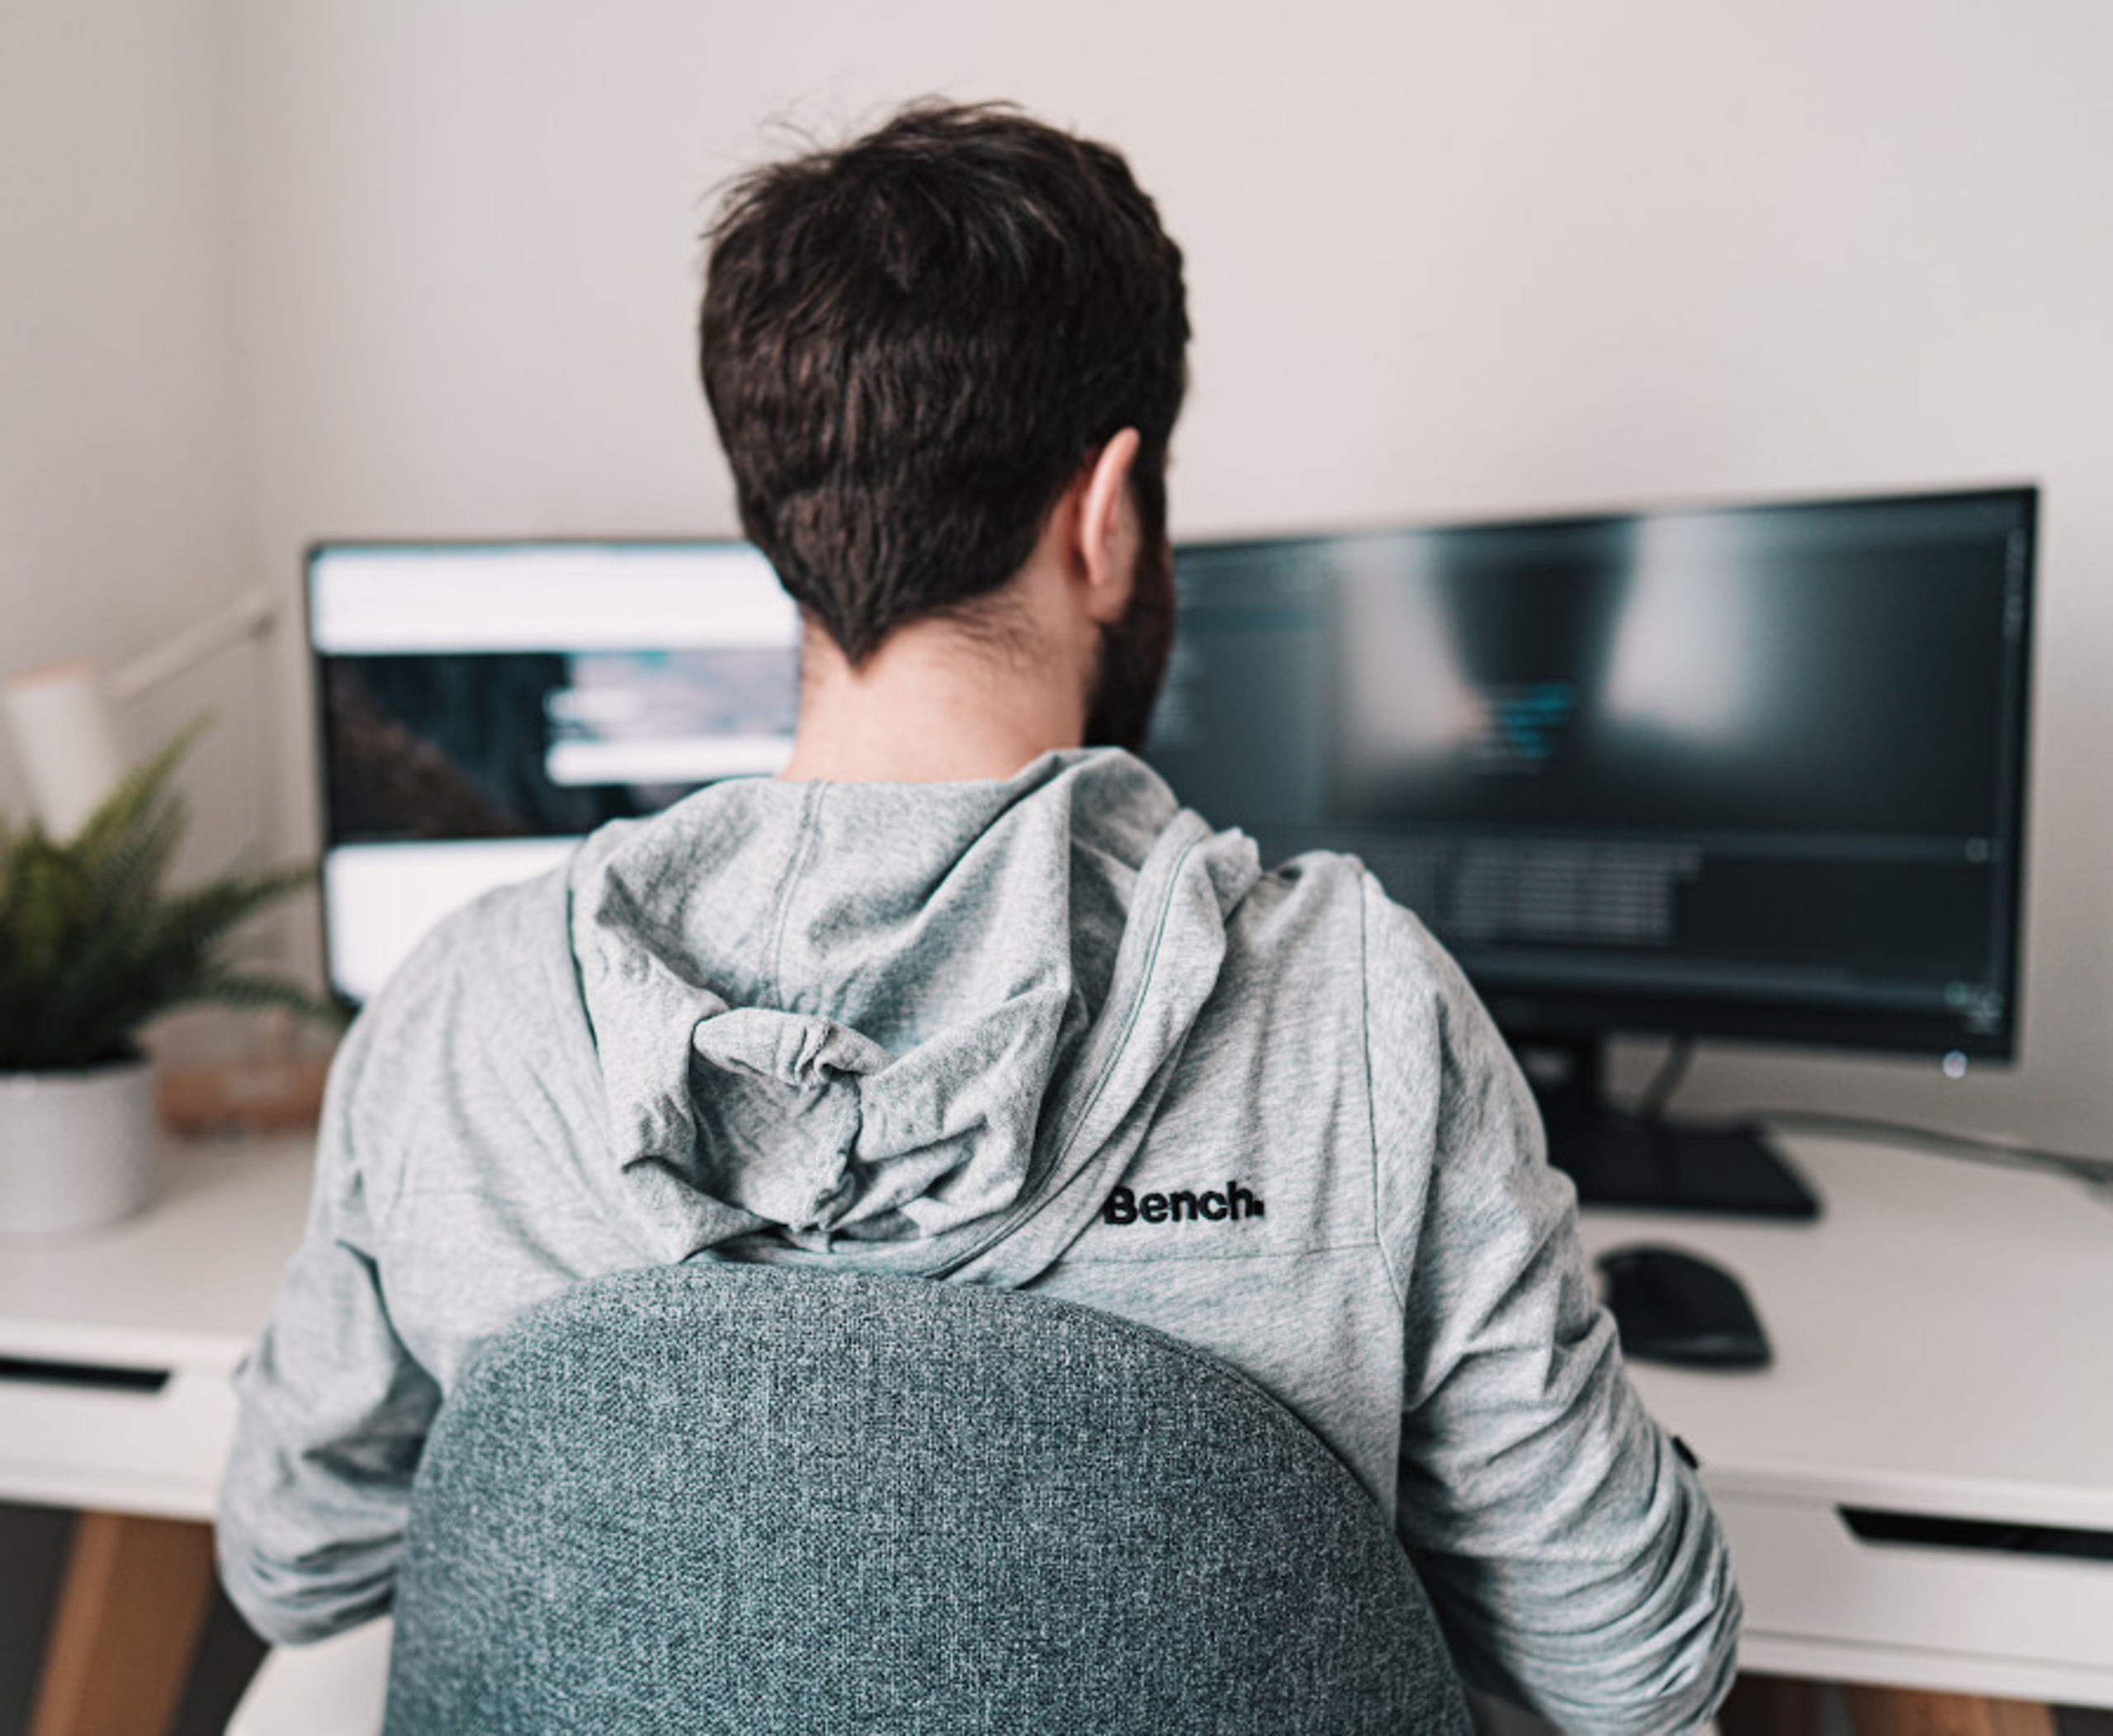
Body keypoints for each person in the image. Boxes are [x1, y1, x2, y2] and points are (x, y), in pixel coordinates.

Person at [219, 101, 1738, 1732]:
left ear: (779, 526)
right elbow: (1632, 1665)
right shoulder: (1347, 1013)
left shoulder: (460, 1014)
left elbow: (294, 1562)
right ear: (1104, 516)